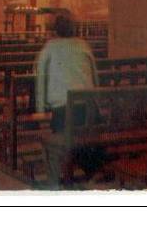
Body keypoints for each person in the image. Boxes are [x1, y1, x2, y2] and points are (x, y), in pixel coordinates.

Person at [35, 13, 100, 188]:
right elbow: (95, 77)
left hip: (63, 112)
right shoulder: (83, 45)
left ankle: (54, 185)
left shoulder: (49, 47)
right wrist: (98, 104)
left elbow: (40, 78)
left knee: (56, 141)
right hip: (88, 110)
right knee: (82, 137)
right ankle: (88, 176)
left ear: (56, 30)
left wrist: (41, 110)